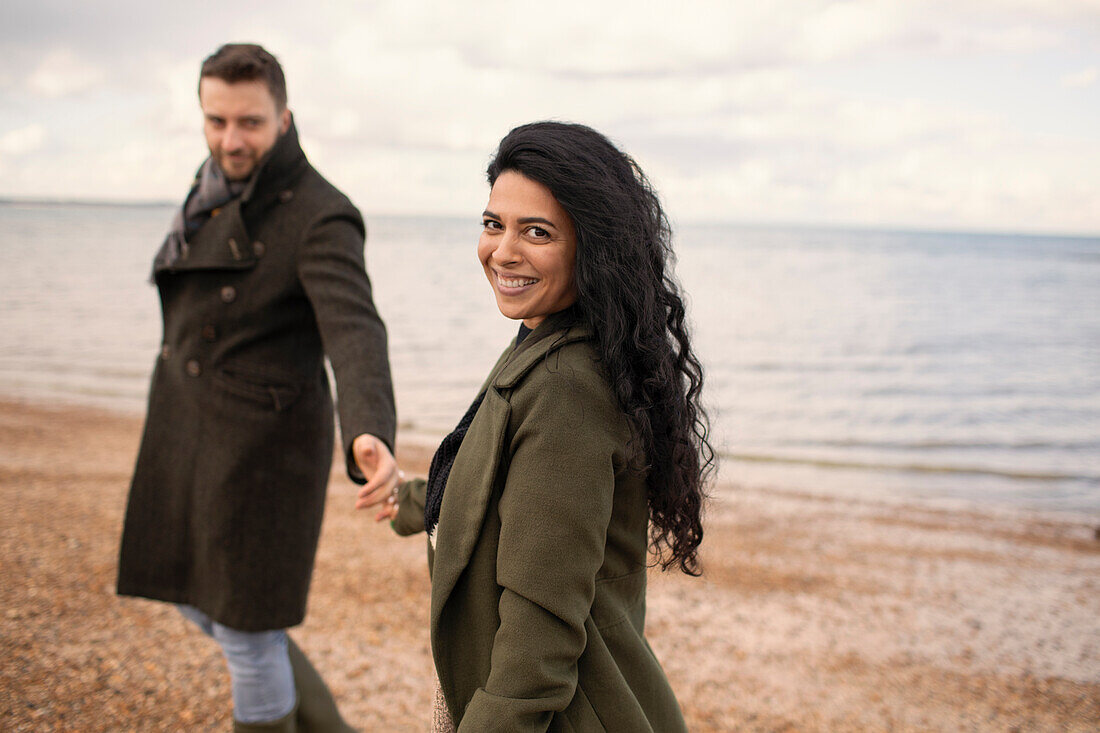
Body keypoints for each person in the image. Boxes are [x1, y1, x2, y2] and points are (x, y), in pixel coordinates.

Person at [372, 121, 713, 732]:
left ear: (592, 246)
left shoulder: (564, 389)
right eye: (492, 223)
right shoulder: (544, 339)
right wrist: (403, 496)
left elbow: (538, 645)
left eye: (537, 232)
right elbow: (498, 491)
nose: (503, 251)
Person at [117, 43, 399, 732]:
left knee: (246, 629)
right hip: (191, 428)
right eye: (216, 121)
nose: (230, 140)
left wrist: (369, 430)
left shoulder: (320, 213)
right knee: (205, 603)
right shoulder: (213, 187)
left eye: (249, 123)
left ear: (284, 117)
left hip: (260, 452)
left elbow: (355, 330)